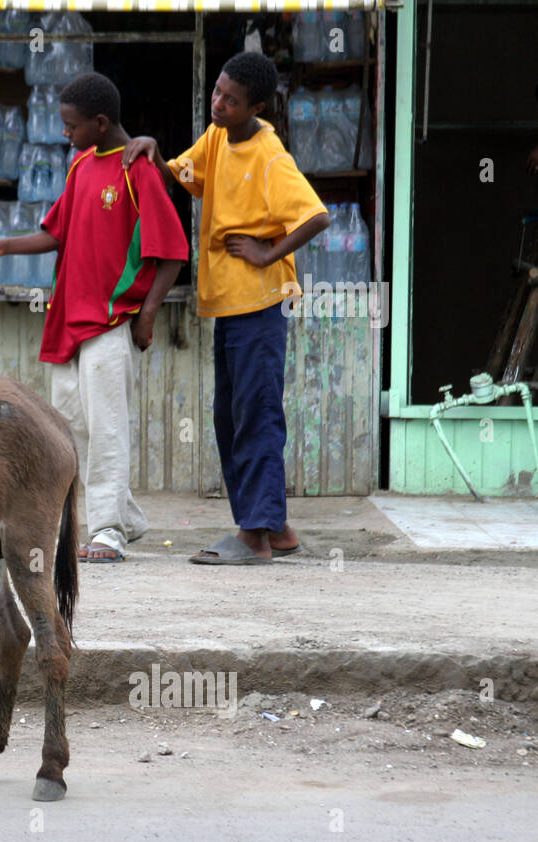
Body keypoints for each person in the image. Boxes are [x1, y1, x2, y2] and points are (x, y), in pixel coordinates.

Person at [0, 73, 188, 563]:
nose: (64, 133)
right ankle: (119, 517)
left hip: (113, 321)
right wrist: (3, 245)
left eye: (70, 125)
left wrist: (147, 315)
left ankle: (108, 529)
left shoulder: (139, 170)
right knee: (70, 430)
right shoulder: (80, 165)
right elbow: (56, 233)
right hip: (68, 320)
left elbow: (173, 251)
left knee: (107, 427)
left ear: (101, 122)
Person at [123, 51, 330, 565]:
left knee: (255, 416)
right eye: (217, 91)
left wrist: (266, 252)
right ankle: (276, 527)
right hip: (229, 306)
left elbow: (315, 216)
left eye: (230, 100)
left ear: (255, 106)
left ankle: (254, 536)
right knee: (231, 417)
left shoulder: (270, 154)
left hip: (260, 305)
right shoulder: (218, 138)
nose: (217, 104)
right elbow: (183, 174)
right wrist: (148, 147)